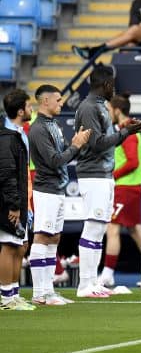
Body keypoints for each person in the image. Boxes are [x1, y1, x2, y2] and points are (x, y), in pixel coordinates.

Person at [74, 65, 141, 298]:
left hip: (103, 174)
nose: (114, 89)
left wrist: (125, 131)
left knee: (100, 228)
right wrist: (125, 133)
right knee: (94, 226)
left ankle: (93, 282)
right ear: (105, 84)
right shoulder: (88, 108)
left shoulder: (98, 107)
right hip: (93, 173)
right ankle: (85, 284)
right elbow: (97, 144)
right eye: (112, 84)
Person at [28, 85, 90, 306]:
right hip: (46, 189)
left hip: (58, 188)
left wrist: (77, 144)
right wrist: (75, 146)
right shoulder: (37, 129)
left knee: (54, 237)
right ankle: (38, 293)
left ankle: (49, 290)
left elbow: (65, 151)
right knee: (42, 235)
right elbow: (55, 160)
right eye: (58, 100)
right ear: (45, 101)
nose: (61, 103)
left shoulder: (53, 125)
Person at [98, 94, 141, 288]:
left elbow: (133, 161)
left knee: (112, 228)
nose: (106, 113)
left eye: (108, 109)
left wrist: (113, 174)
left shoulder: (127, 130)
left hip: (126, 187)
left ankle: (107, 274)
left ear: (117, 110)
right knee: (135, 230)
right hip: (130, 187)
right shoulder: (126, 129)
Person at [0, 90, 35, 310]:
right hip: (8, 202)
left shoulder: (18, 133)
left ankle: (12, 294)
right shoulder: (6, 137)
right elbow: (6, 172)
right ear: (21, 110)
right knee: (8, 246)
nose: (32, 109)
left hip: (20, 200)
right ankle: (5, 297)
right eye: (29, 106)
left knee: (19, 246)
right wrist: (13, 204)